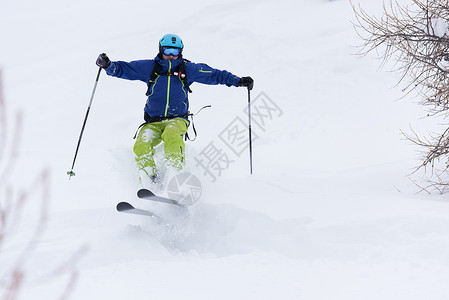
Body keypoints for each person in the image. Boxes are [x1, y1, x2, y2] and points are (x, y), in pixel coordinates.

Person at [96, 33, 254, 183]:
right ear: (161, 50)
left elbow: (214, 75)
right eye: (167, 51)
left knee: (171, 135)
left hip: (178, 119)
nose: (171, 55)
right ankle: (150, 181)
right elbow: (126, 69)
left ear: (181, 52)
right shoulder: (150, 67)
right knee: (142, 144)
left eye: (175, 51)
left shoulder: (188, 69)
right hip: (153, 122)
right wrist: (109, 66)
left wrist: (237, 80)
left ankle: (176, 177)